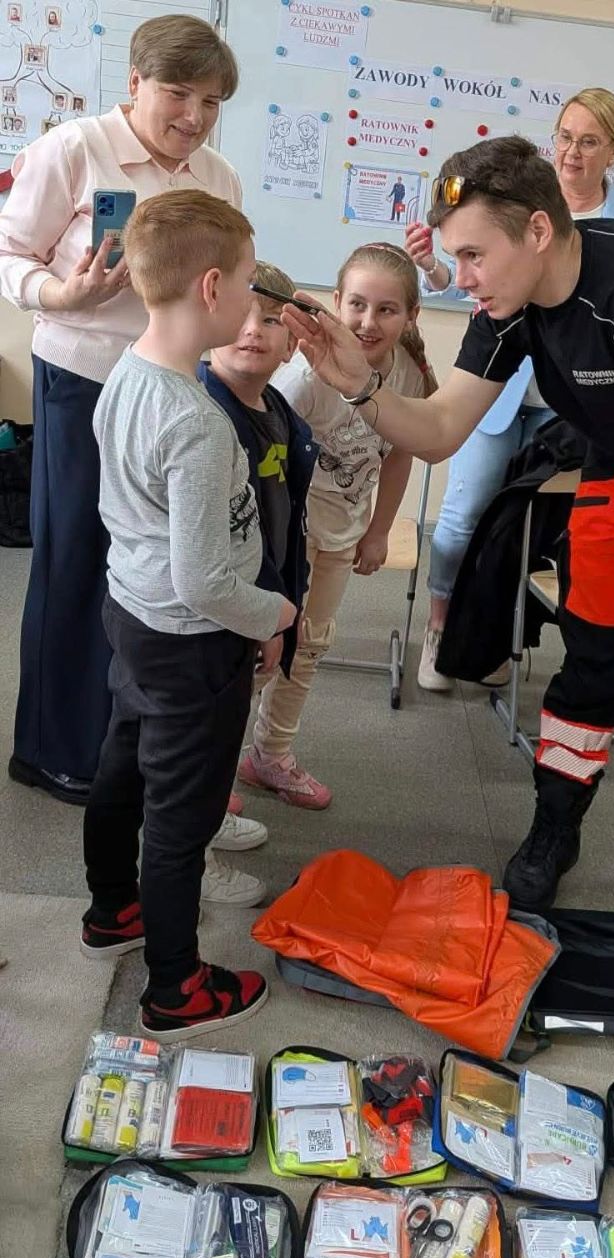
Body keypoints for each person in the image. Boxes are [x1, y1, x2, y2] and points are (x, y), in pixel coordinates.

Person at [282, 137, 614, 943]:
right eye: (457, 256)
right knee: (591, 657)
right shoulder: (507, 307)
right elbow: (444, 428)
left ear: (538, 233)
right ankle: (555, 827)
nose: (464, 277)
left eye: (474, 254)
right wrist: (362, 385)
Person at [0, 15, 241, 804]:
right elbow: (9, 253)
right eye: (178, 93)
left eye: (210, 101)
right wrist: (61, 294)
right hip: (82, 377)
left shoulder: (218, 178)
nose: (193, 117)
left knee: (152, 576)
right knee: (76, 560)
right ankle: (53, 750)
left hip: (176, 393)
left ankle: (128, 748)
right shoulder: (76, 149)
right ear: (134, 82)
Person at [80, 191, 296, 1041]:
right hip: (191, 638)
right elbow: (206, 580)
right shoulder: (197, 425)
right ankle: (175, 987)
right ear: (211, 287)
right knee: (181, 818)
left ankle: (111, 915)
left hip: (132, 615)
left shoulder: (123, 377)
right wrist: (273, 612)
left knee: (123, 766)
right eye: (247, 284)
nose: (252, 303)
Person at [404, 88, 614, 692]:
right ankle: (444, 629)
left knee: (535, 529)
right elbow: (476, 294)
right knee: (464, 518)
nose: (571, 152)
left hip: (575, 409)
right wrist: (438, 271)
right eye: (564, 137)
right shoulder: (515, 202)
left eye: (588, 141)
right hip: (501, 393)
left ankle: (494, 637)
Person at [236, 243, 437, 808]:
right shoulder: (306, 377)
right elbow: (264, 459)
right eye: (357, 305)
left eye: (386, 310)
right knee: (261, 645)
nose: (368, 322)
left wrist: (378, 530)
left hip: (341, 532)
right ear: (335, 304)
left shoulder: (409, 375)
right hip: (285, 533)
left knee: (311, 644)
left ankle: (269, 757)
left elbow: (401, 453)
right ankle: (207, 762)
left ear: (411, 316)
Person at [196, 261, 317, 904]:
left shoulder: (275, 408)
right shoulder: (204, 413)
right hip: (221, 608)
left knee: (230, 719)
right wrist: (265, 613)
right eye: (242, 316)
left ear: (294, 340)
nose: (254, 331)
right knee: (204, 740)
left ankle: (209, 818)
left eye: (272, 321)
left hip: (260, 596)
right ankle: (194, 858)